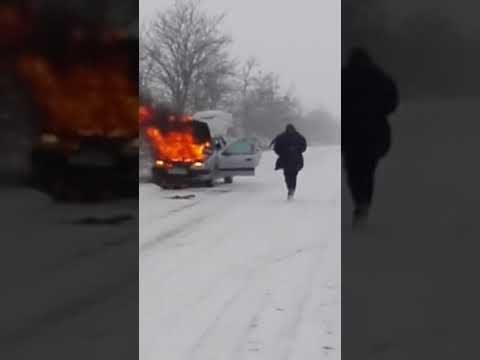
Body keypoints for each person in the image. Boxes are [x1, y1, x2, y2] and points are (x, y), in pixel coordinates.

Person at [342, 47, 399, 225]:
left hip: (350, 133)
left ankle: (360, 202)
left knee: (353, 170)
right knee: (367, 170)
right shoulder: (379, 77)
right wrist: (377, 112)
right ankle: (363, 204)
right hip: (374, 133)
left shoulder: (344, 77)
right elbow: (392, 101)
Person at [273, 124, 307, 200]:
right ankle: (290, 189)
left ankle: (291, 190)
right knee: (287, 176)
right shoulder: (282, 137)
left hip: (295, 160)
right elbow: (276, 148)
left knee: (293, 176)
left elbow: (304, 147)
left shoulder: (298, 137)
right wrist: (282, 152)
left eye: (291, 129)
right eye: (289, 129)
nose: (290, 131)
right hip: (286, 160)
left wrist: (296, 149)